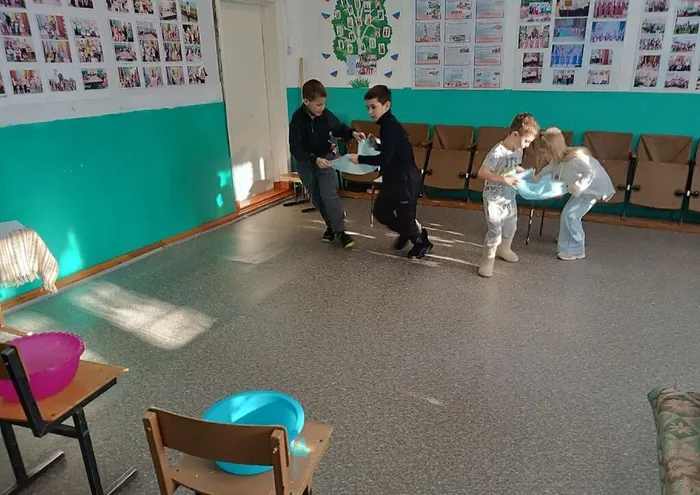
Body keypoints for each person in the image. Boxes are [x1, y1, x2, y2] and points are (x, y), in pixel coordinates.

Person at [348, 85, 432, 259]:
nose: (370, 112)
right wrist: (376, 145)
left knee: (406, 220)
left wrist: (360, 159)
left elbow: (385, 159)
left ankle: (421, 241)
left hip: (405, 182)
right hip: (392, 179)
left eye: (373, 107)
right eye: (368, 108)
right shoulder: (386, 126)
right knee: (381, 212)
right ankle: (407, 232)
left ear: (386, 105)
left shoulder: (391, 126)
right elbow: (392, 151)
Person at [289, 79, 365, 248]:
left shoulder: (325, 115)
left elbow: (338, 127)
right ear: (306, 101)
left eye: (324, 104)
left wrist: (353, 133)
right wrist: (313, 159)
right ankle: (330, 227)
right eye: (318, 105)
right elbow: (295, 148)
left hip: (326, 158)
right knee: (317, 198)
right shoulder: (297, 120)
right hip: (306, 163)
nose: (322, 108)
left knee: (329, 195)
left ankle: (341, 231)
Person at [535, 127, 615, 261]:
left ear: (552, 148)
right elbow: (547, 170)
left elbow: (590, 173)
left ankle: (575, 250)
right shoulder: (559, 160)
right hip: (583, 190)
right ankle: (566, 238)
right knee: (568, 214)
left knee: (571, 215)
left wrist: (578, 186)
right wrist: (533, 179)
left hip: (592, 189)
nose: (544, 155)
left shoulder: (575, 159)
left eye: (545, 152)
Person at [476, 112, 540, 278]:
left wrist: (525, 173)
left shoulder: (517, 150)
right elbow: (482, 172)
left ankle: (504, 249)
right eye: (526, 141)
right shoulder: (497, 152)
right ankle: (487, 262)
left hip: (509, 196)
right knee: (495, 231)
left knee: (511, 226)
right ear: (515, 134)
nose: (527, 146)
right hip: (493, 198)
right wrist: (504, 179)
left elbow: (513, 166)